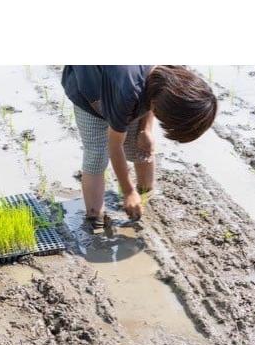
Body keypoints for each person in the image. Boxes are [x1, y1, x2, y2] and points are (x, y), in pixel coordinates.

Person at [61, 65, 217, 226]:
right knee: (97, 156)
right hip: (91, 95)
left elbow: (153, 91)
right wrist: (128, 191)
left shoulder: (169, 75)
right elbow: (114, 147)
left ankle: (144, 195)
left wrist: (145, 130)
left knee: (139, 145)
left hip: (127, 91)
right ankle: (95, 219)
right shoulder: (127, 92)